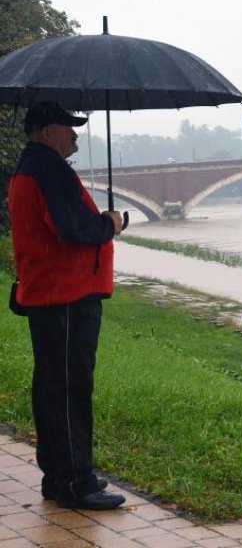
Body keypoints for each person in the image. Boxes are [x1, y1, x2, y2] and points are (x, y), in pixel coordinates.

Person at [7, 101, 126, 510]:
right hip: (67, 297)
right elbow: (74, 230)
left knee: (52, 387)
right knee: (70, 388)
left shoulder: (32, 167)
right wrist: (110, 224)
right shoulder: (48, 170)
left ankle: (59, 477)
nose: (75, 134)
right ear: (46, 132)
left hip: (50, 295)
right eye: (67, 127)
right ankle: (77, 482)